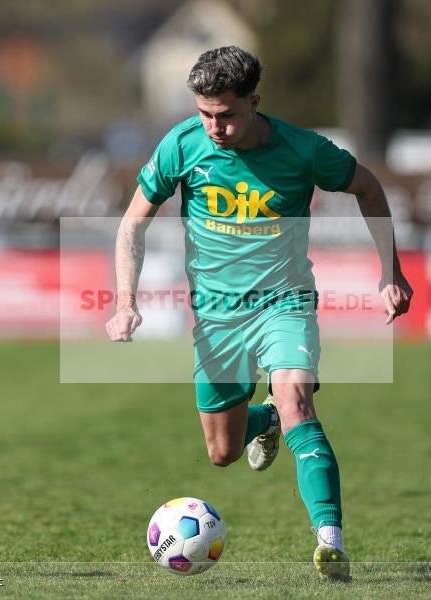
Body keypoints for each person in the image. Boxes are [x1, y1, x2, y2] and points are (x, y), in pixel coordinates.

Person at [105, 46, 412, 581]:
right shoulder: (182, 144)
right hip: (217, 316)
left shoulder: (302, 149)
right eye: (205, 115)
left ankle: (329, 540)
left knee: (297, 400)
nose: (215, 127)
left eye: (226, 114)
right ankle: (265, 419)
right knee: (222, 451)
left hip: (284, 300)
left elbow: (367, 185)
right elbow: (133, 223)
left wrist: (390, 269)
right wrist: (125, 303)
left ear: (254, 102)